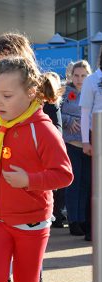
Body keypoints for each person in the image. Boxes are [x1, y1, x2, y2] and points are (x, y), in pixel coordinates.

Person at [0, 56, 73, 282]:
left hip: (31, 221)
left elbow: (64, 174)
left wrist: (29, 180)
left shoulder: (43, 129)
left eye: (6, 96)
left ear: (30, 93)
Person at [61, 60, 91, 236]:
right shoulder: (65, 92)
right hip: (71, 144)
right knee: (74, 183)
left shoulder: (93, 92)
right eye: (76, 75)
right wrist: (69, 121)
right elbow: (55, 112)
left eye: (83, 75)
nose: (79, 79)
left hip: (88, 145)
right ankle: (73, 220)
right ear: (71, 76)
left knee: (85, 184)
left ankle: (83, 220)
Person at [79, 47, 102, 242]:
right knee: (96, 185)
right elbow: (85, 112)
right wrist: (86, 141)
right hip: (97, 134)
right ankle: (91, 229)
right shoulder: (92, 80)